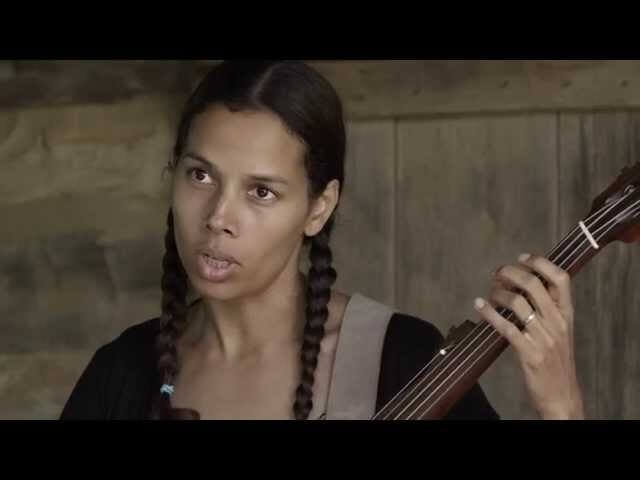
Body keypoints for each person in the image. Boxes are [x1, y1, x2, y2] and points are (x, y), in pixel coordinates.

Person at [60, 61, 584, 420]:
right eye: (200, 176)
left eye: (261, 191)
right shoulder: (122, 375)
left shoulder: (400, 359)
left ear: (319, 207)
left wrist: (561, 404)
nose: (219, 217)